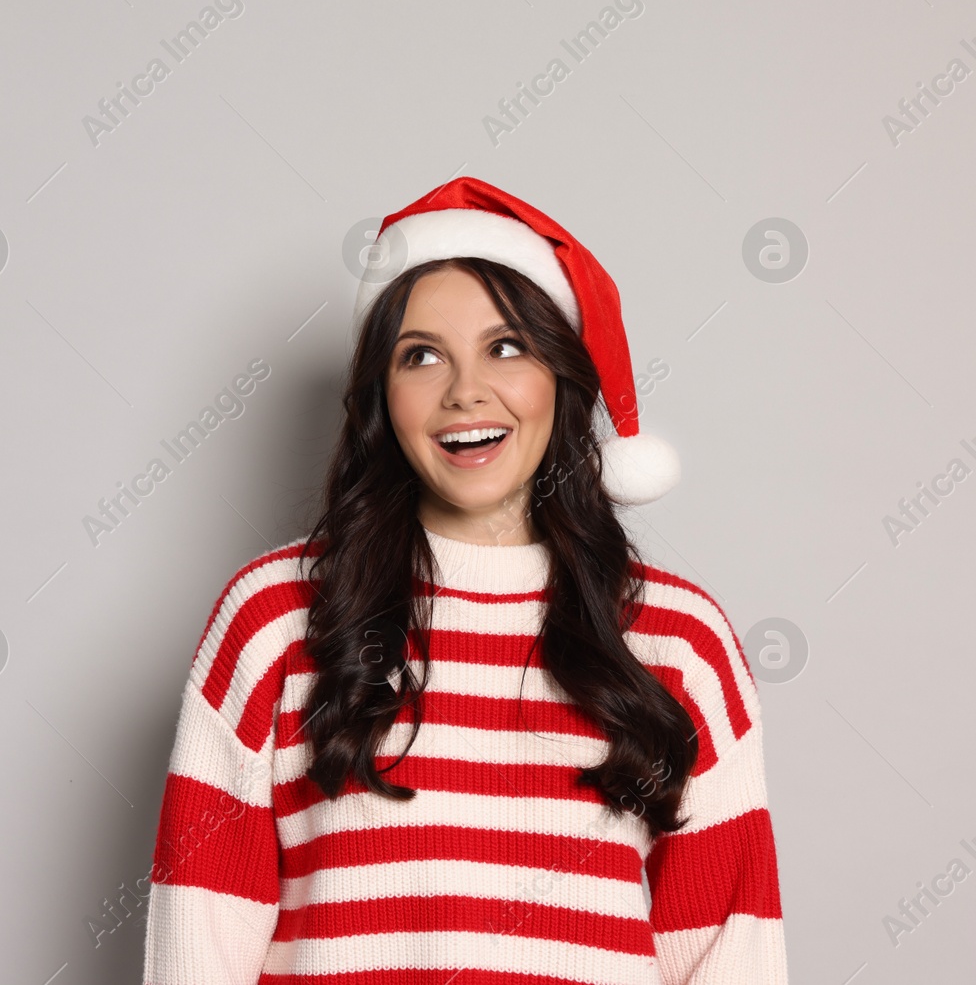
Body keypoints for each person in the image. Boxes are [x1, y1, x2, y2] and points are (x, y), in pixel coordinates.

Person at [140, 178, 787, 984]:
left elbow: (732, 950)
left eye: (506, 346)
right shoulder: (273, 619)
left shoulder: (679, 641)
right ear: (383, 392)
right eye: (421, 355)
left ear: (561, 373)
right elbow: (199, 937)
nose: (465, 391)